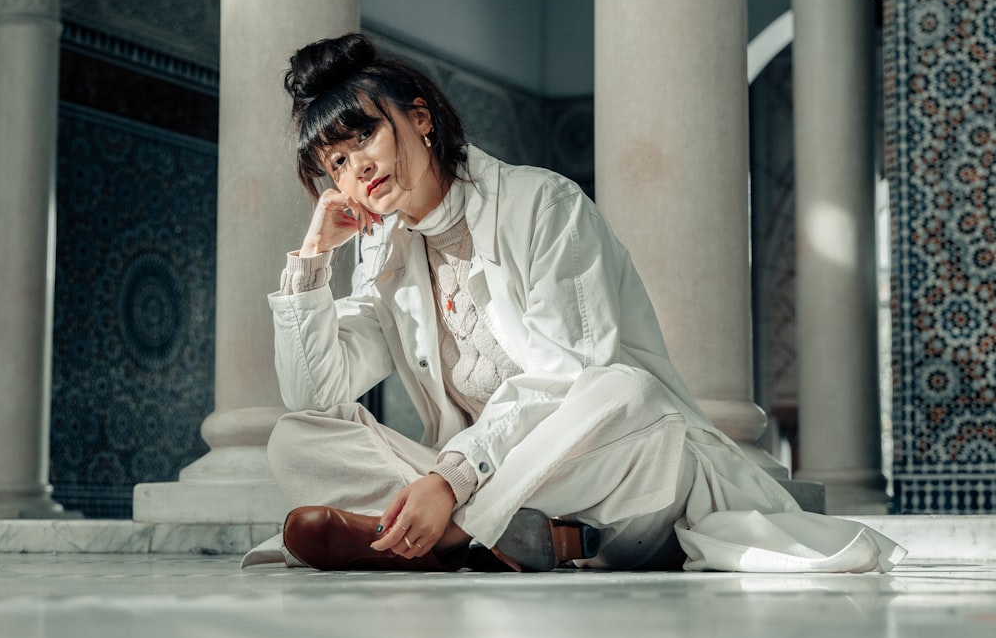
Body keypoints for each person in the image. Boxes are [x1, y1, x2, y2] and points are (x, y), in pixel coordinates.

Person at [243, 32, 904, 574]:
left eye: (362, 137)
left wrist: (451, 476)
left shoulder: (543, 204)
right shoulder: (381, 251)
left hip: (621, 478)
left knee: (623, 390)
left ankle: (452, 534)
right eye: (333, 164)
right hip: (500, 485)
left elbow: (570, 376)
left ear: (418, 118)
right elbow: (316, 393)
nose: (353, 168)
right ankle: (503, 532)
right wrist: (312, 258)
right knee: (294, 437)